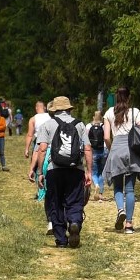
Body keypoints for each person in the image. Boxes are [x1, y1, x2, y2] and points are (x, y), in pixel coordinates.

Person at [29, 96, 92, 248]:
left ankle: (61, 240)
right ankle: (75, 222)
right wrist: (88, 171)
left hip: (54, 170)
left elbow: (42, 149)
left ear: (54, 110)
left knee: (55, 203)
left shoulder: (48, 125)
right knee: (75, 201)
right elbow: (88, 149)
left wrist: (40, 172)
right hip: (75, 169)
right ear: (69, 109)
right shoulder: (79, 125)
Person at [102, 87, 140, 234]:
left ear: (116, 97)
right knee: (130, 189)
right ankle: (129, 224)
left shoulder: (109, 112)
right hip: (132, 150)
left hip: (116, 149)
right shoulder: (135, 112)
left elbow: (107, 137)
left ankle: (120, 209)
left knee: (117, 187)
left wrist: (111, 149)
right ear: (129, 97)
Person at [85, 110, 107, 201]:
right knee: (101, 172)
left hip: (92, 151)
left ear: (93, 117)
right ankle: (101, 194)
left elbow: (85, 139)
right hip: (103, 150)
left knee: (93, 172)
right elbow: (106, 138)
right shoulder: (104, 126)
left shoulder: (89, 126)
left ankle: (96, 184)